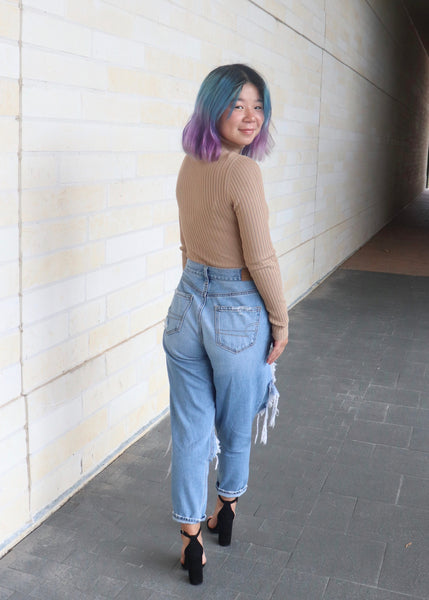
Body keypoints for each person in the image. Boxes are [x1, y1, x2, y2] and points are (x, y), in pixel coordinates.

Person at [163, 64, 289, 585]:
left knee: (192, 427)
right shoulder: (242, 171)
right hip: (237, 312)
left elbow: (187, 242)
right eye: (237, 104)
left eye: (258, 106)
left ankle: (193, 539)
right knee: (236, 423)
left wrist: (197, 291)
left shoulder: (190, 165)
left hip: (185, 305)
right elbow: (261, 258)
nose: (250, 117)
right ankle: (227, 511)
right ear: (212, 106)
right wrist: (280, 320)